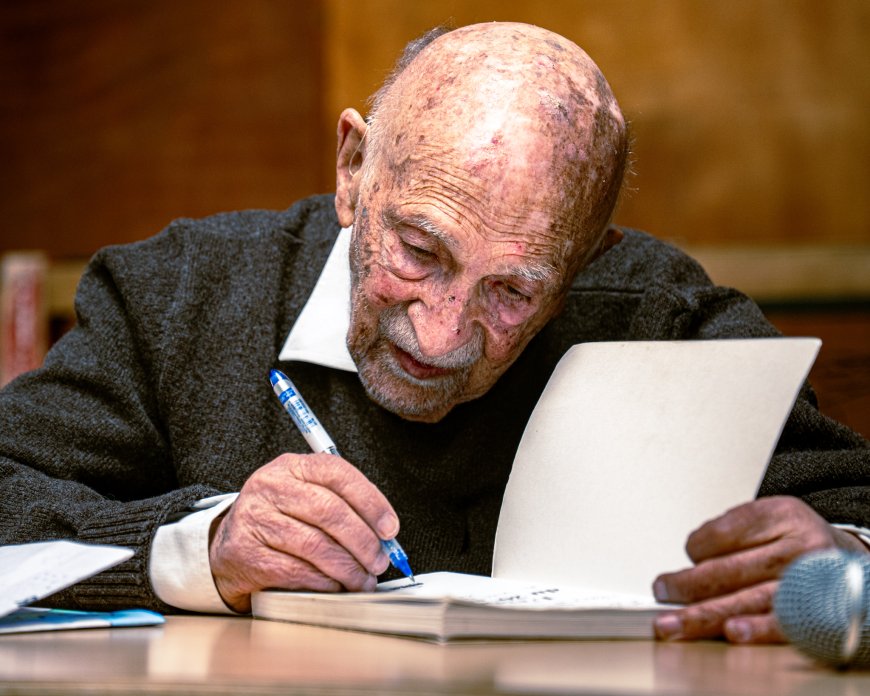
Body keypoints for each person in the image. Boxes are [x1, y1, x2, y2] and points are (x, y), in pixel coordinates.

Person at [0, 22, 867, 645]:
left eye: (514, 291)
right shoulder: (178, 295)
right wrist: (204, 548)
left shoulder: (659, 314)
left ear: (583, 263)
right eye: (418, 251)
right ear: (352, 171)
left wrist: (843, 564)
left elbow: (851, 507)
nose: (443, 333)